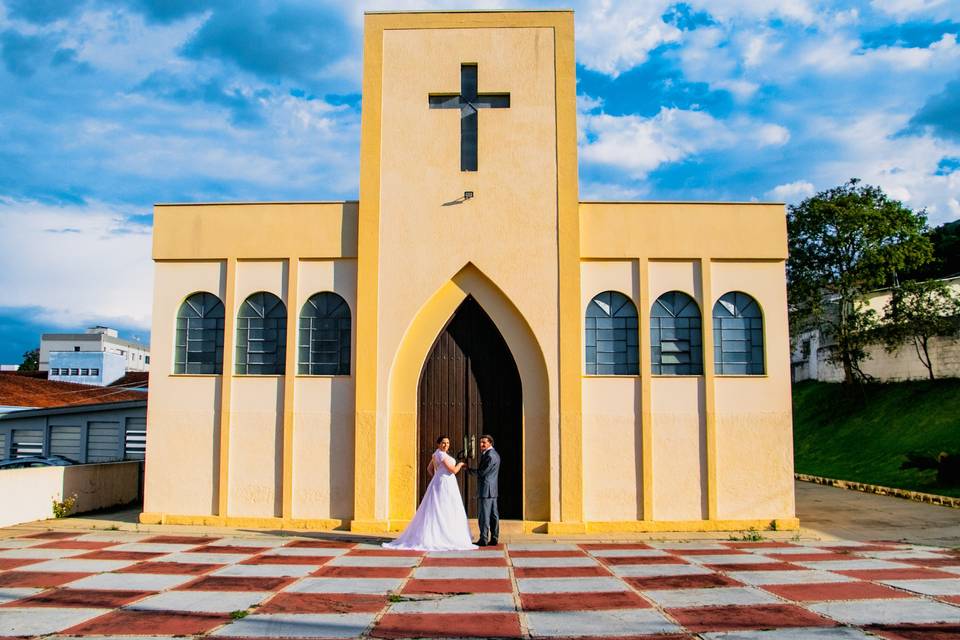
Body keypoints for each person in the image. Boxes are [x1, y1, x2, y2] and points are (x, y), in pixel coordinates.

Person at [383, 435, 477, 551]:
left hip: (439, 482)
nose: (446, 445)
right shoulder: (442, 455)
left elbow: (429, 469)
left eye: (447, 443)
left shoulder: (435, 454)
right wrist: (461, 464)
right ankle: (445, 536)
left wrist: (436, 477)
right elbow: (453, 470)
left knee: (436, 507)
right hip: (445, 483)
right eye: (443, 443)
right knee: (446, 507)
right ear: (438, 444)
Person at [472, 434, 500, 546]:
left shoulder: (489, 455)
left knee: (484, 516)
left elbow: (482, 472)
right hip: (492, 490)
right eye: (480, 442)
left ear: (490, 443)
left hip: (486, 490)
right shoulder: (495, 454)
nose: (481, 444)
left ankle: (483, 539)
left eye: (484, 442)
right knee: (494, 515)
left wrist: (468, 469)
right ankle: (494, 538)